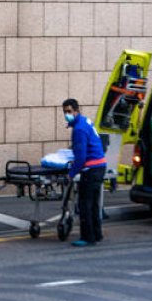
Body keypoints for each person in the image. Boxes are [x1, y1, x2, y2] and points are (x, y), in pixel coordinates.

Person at [63, 98, 107, 247]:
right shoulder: (85, 121)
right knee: (94, 204)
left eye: (69, 111)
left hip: (91, 169)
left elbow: (81, 158)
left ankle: (88, 237)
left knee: (84, 204)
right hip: (100, 166)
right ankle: (97, 234)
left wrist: (71, 174)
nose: (66, 114)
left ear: (76, 110)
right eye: (64, 112)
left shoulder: (79, 129)